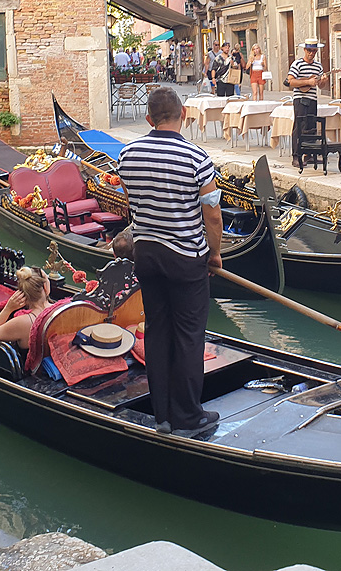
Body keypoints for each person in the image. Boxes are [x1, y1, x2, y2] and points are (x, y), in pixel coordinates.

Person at [117, 87, 223, 437]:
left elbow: (133, 202)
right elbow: (213, 218)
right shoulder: (197, 157)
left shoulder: (127, 154)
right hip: (186, 259)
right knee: (189, 337)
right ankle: (188, 417)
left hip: (147, 256)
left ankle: (162, 416)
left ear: (149, 118)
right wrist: (215, 254)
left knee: (158, 333)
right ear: (184, 115)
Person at [0, 266, 55, 352]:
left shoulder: (22, 322)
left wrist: (8, 309)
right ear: (45, 286)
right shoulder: (61, 309)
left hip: (33, 365)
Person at [286, 38, 326, 171]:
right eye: (309, 50)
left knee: (311, 126)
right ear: (304, 50)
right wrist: (307, 83)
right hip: (300, 99)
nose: (311, 53)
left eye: (314, 51)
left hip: (312, 99)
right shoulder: (297, 64)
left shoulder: (318, 66)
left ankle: (309, 154)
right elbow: (291, 81)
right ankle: (296, 156)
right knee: (299, 127)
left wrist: (322, 81)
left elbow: (321, 85)